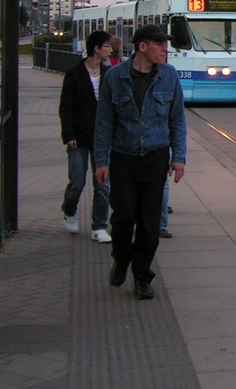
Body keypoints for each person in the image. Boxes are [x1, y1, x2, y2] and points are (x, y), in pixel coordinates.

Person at [94, 24, 186, 301]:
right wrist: (101, 160)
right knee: (123, 219)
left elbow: (177, 121)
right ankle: (122, 258)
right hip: (123, 158)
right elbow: (104, 122)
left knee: (149, 224)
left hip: (155, 158)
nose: (165, 50)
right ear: (142, 47)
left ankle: (142, 276)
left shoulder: (169, 76)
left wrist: (178, 157)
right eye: (159, 45)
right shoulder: (114, 77)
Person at [59, 30, 114, 243]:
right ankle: (69, 209)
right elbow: (66, 106)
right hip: (79, 136)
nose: (111, 50)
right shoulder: (74, 74)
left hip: (102, 137)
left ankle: (99, 226)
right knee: (77, 182)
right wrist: (68, 134)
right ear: (97, 49)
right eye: (107, 46)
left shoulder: (109, 73)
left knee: (102, 183)